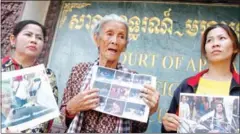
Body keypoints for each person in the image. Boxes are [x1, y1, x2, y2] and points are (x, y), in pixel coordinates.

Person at [60, 14, 160, 133]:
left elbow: (138, 129)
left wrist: (149, 111)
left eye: (121, 36)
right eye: (109, 34)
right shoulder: (79, 71)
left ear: (125, 46)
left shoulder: (133, 80)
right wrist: (71, 109)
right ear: (97, 39)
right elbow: (63, 119)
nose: (115, 41)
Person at [162, 23, 240, 133]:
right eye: (209, 40)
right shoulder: (187, 85)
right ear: (205, 52)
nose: (215, 44)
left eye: (221, 38)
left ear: (235, 47)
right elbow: (170, 128)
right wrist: (167, 126)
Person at [1, 20, 58, 133]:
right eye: (28, 34)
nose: (33, 40)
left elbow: (48, 119)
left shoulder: (47, 76)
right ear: (13, 40)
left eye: (39, 38)